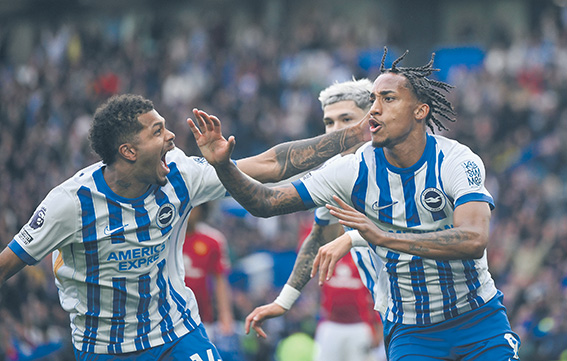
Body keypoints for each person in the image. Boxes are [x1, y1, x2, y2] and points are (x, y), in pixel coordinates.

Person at [191, 48, 522, 360]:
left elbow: (474, 239)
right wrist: (224, 166)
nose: (374, 109)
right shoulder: (350, 171)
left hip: (478, 318)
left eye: (388, 99)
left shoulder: (455, 161)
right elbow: (266, 201)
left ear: (420, 110)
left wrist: (374, 236)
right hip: (411, 329)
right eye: (373, 100)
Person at [0, 94, 369, 360]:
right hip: (104, 348)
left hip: (178, 335)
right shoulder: (70, 203)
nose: (172, 137)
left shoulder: (181, 175)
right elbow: (7, 265)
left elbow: (271, 164)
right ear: (129, 151)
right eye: (158, 131)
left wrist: (354, 136)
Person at [243, 79, 386, 361]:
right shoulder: (334, 173)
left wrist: (349, 238)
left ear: (372, 120)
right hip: (394, 314)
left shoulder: (395, 162)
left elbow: (410, 233)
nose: (335, 131)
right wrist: (283, 302)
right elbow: (315, 234)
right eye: (329, 123)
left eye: (346, 119)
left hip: (438, 308)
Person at [182, 202, 244, 361]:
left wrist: (225, 316)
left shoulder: (212, 240)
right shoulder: (166, 237)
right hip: (169, 318)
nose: (191, 212)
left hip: (202, 319)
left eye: (195, 207)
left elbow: (220, 281)